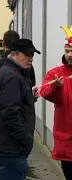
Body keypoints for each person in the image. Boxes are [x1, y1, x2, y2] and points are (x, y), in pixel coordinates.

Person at [0, 39, 41, 180]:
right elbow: (10, 113)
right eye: (27, 55)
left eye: (32, 55)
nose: (31, 59)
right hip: (11, 150)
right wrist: (25, 139)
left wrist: (30, 97)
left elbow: (9, 103)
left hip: (3, 148)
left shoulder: (7, 72)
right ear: (14, 54)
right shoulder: (12, 76)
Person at [39, 26, 72, 179]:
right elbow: (45, 92)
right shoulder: (55, 73)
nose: (70, 55)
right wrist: (56, 87)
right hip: (67, 138)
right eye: (67, 51)